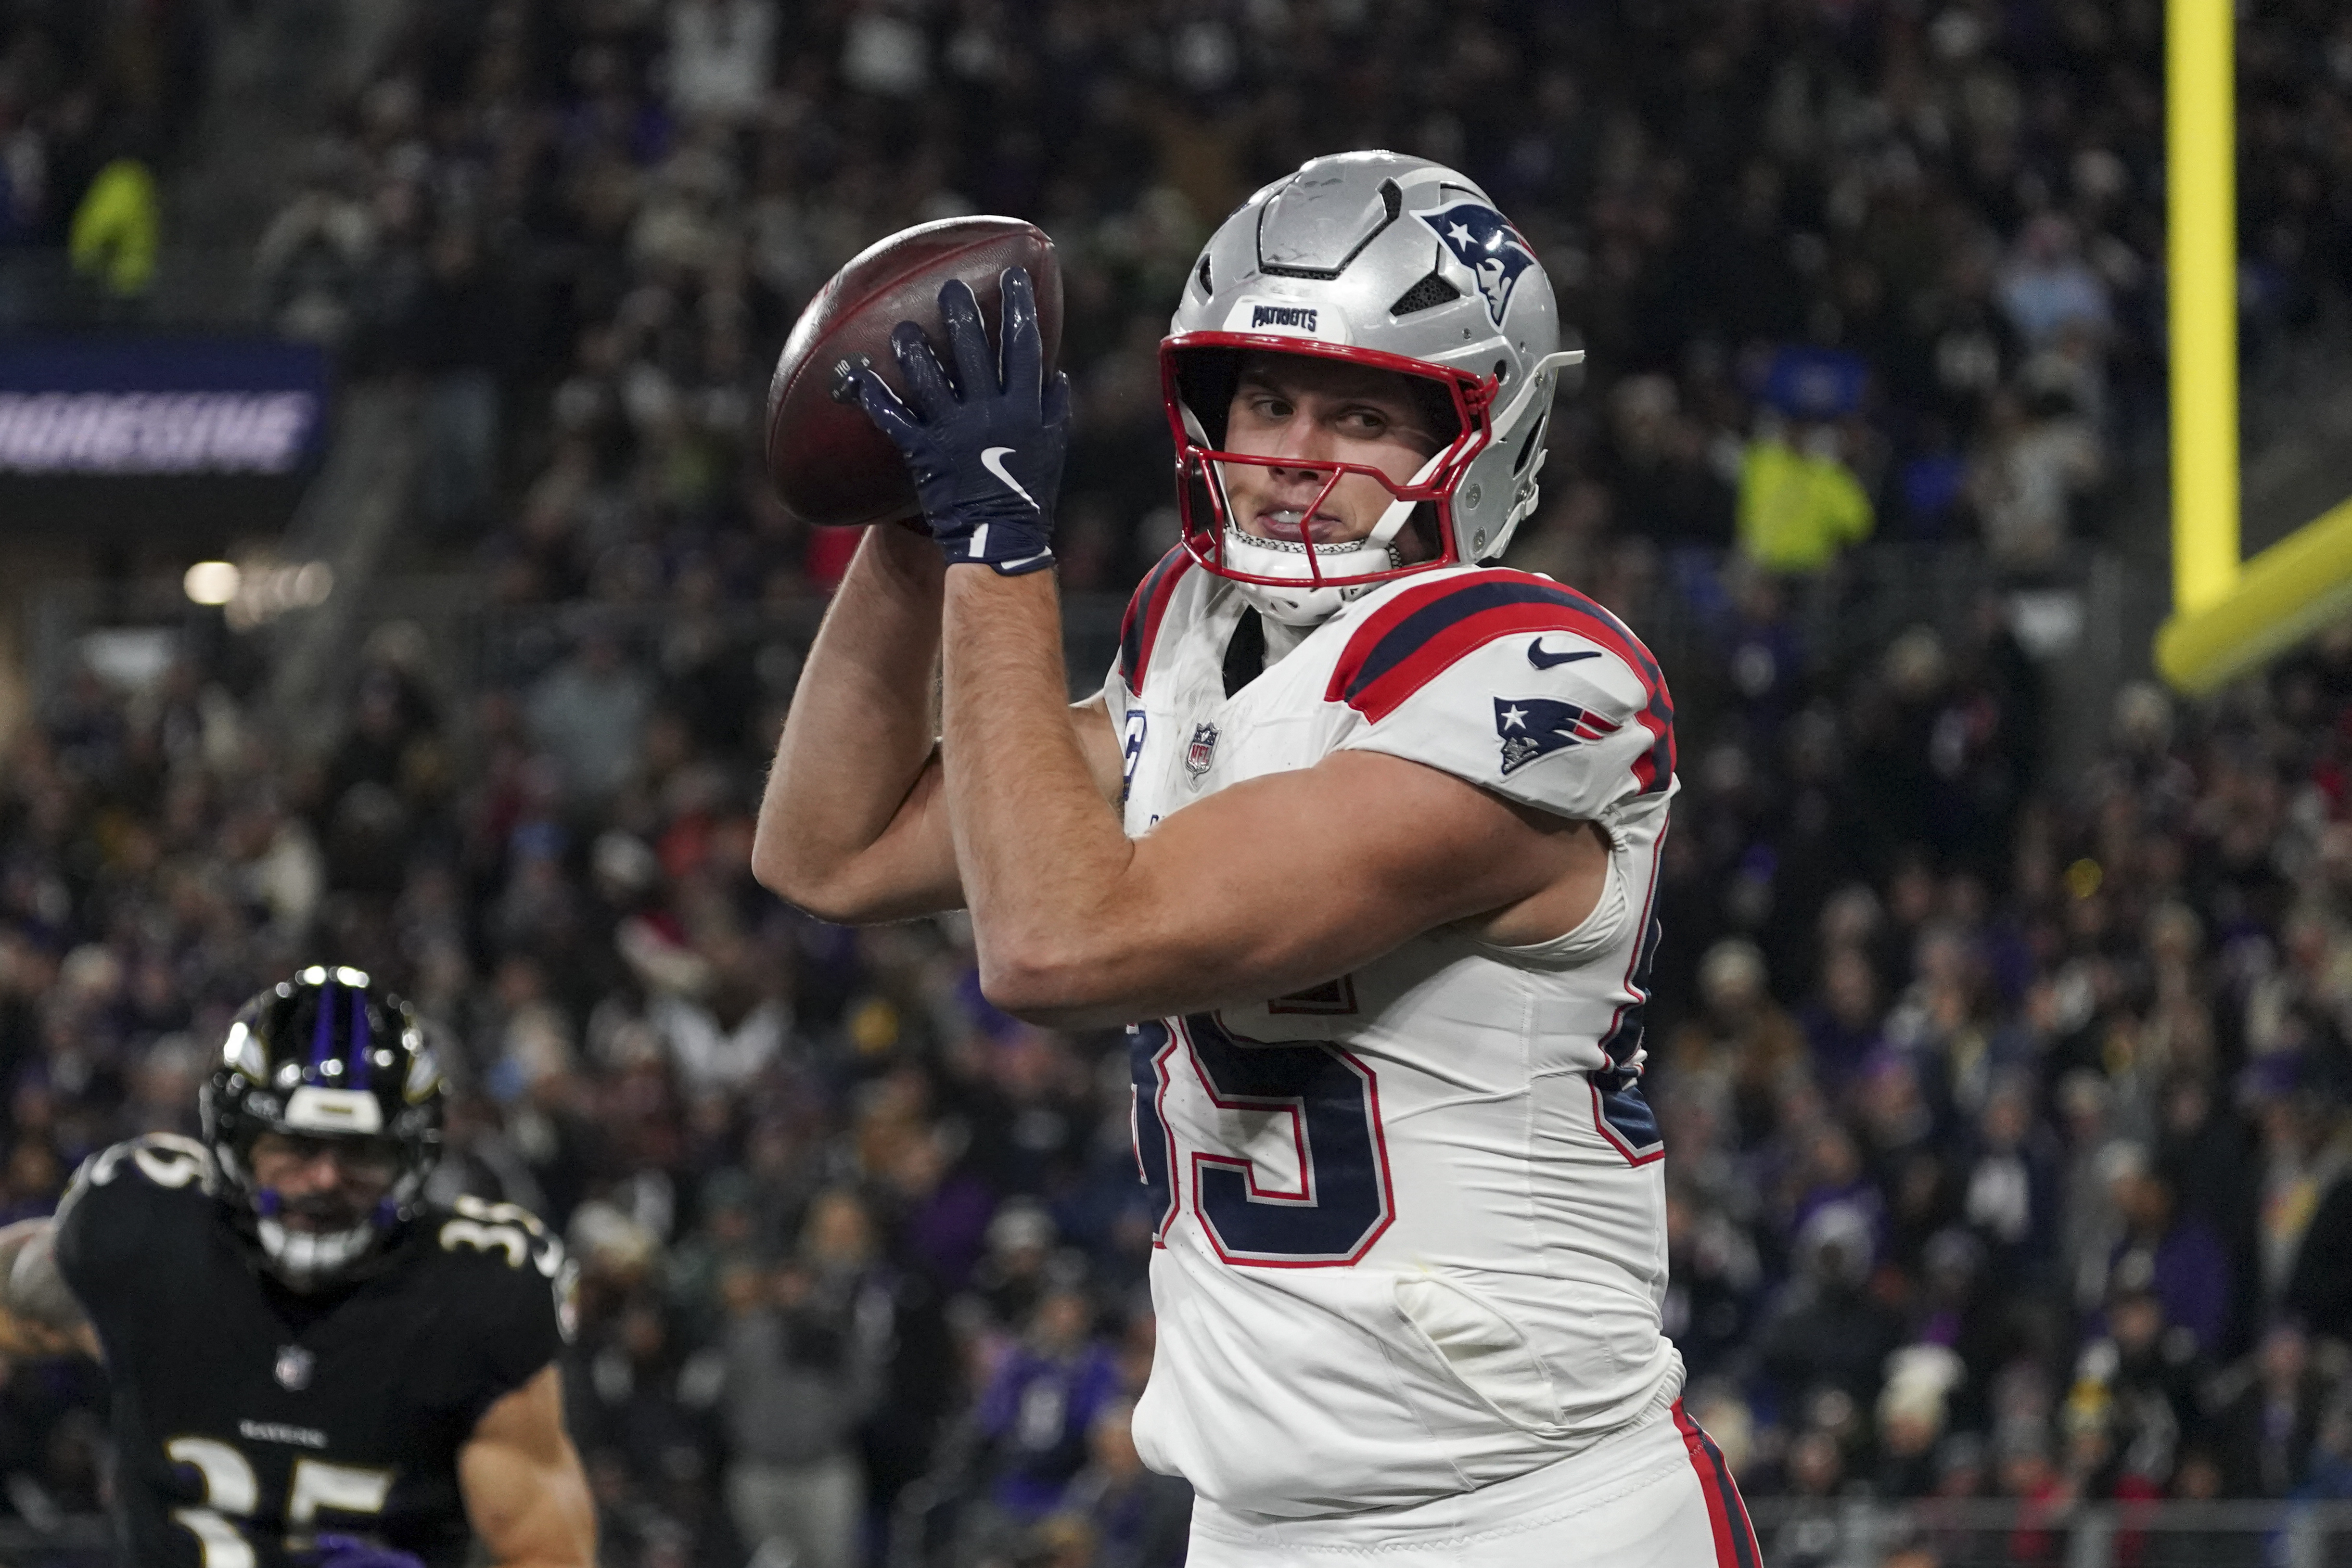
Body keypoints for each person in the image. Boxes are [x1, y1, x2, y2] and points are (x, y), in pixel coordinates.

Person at [755, 151, 1760, 1567]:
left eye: (1360, 417)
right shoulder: (1191, 630)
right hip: (1256, 1529)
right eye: (1269, 401)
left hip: (1532, 1518)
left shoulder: (1539, 677)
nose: (1293, 456)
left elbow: (1056, 946)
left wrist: (998, 542)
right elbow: (831, 850)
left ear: (1485, 438)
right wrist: (921, 519)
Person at [0, 968, 595, 1568]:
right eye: (296, 1146)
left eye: (361, 1152)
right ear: (236, 1143)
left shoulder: (473, 1302)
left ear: (413, 1158)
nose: (325, 1180)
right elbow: (15, 1299)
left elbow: (546, 1552)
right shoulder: (146, 1240)